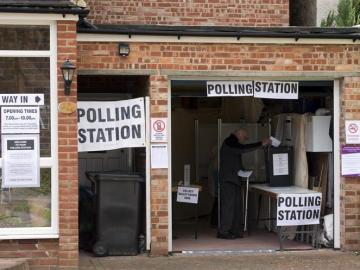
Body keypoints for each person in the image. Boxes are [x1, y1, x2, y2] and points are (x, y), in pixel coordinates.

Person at [217, 128, 271, 239]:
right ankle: (224, 231)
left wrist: (243, 170)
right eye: (244, 137)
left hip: (234, 179)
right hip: (228, 180)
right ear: (238, 133)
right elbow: (243, 149)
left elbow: (235, 159)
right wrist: (261, 143)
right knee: (229, 206)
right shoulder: (230, 141)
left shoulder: (232, 142)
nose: (244, 140)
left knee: (236, 206)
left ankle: (234, 230)